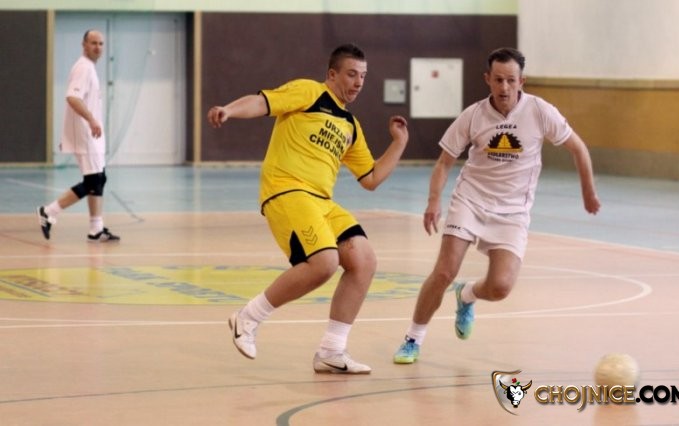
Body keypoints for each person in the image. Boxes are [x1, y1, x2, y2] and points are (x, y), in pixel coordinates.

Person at [207, 44, 409, 374]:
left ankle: (331, 350)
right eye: (351, 74)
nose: (358, 82)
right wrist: (228, 110)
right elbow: (262, 102)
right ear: (332, 74)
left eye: (363, 76)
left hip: (321, 201)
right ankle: (248, 317)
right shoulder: (309, 92)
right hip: (287, 190)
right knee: (324, 262)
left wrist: (399, 143)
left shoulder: (350, 125)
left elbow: (371, 178)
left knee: (364, 260)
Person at [393, 47, 600, 364]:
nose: (505, 87)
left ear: (522, 81)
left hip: (513, 211)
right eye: (499, 80)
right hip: (471, 200)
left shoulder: (540, 111)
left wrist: (588, 192)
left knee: (501, 286)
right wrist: (434, 201)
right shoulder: (473, 115)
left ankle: (466, 295)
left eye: (511, 80)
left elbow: (579, 148)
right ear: (487, 79)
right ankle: (412, 339)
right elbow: (444, 163)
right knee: (444, 271)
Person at [37, 29, 120, 243]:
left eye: (101, 43)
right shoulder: (83, 67)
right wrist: (91, 119)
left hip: (91, 134)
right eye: (93, 43)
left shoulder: (89, 67)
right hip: (85, 133)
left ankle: (96, 228)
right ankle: (50, 211)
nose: (98, 47)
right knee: (94, 180)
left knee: (99, 178)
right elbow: (72, 98)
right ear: (84, 44)